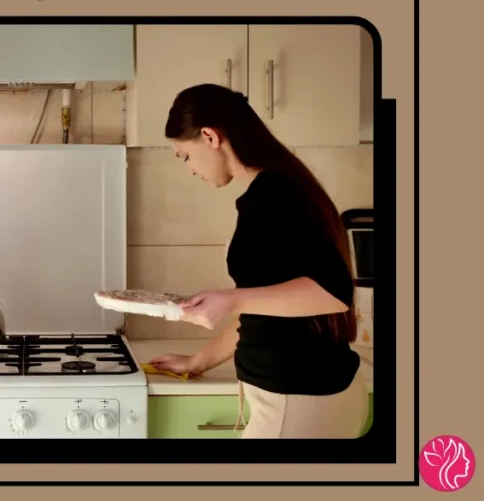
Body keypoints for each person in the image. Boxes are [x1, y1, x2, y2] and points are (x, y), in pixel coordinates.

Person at [148, 83, 367, 439]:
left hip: (298, 401)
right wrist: (197, 362)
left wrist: (232, 298)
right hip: (302, 396)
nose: (189, 169)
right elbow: (267, 313)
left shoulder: (274, 196)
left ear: (209, 136)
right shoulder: (278, 189)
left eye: (184, 155)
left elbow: (333, 290)